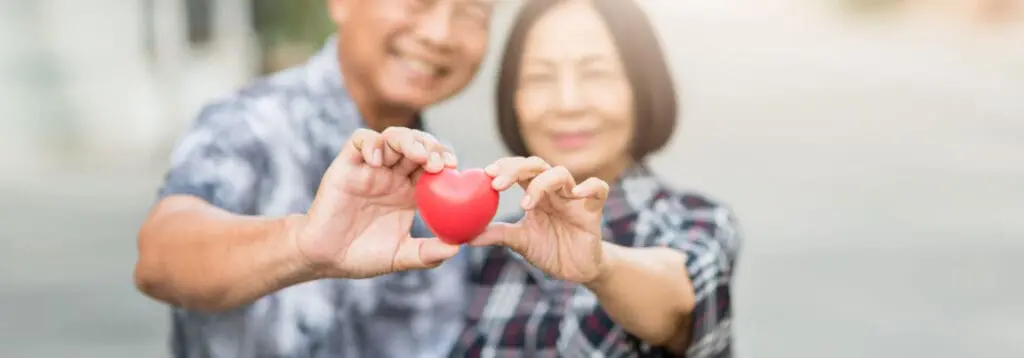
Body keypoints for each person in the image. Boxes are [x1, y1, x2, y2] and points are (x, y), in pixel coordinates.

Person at [134, 0, 496, 357]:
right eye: (418, 3)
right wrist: (301, 245)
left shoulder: (449, 175)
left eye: (472, 13)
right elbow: (160, 257)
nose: (440, 34)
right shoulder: (251, 124)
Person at [451, 0, 742, 356]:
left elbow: (680, 302)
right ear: (514, 98)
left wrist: (599, 267)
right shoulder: (491, 251)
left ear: (641, 85)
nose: (568, 103)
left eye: (596, 73)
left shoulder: (697, 222)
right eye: (540, 77)